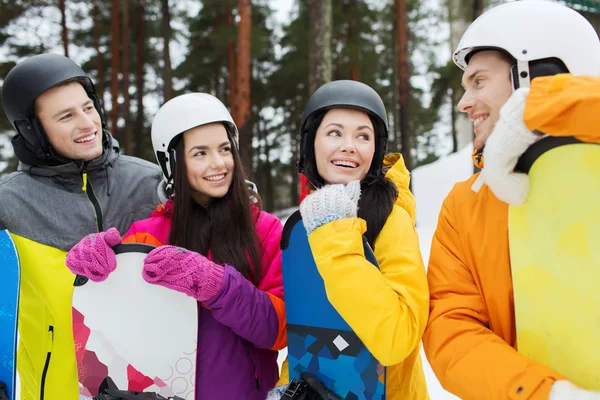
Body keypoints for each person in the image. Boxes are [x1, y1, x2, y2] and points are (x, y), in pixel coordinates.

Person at [422, 2, 600, 399]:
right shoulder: (464, 206)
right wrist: (545, 394)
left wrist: (538, 107)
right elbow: (451, 329)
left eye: (479, 82)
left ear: (536, 73)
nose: (463, 103)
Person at [66, 93, 287, 399]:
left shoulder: (264, 229)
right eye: (200, 153)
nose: (219, 163)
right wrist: (96, 274)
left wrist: (218, 286)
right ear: (171, 163)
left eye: (225, 149)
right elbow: (113, 326)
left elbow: (278, 331)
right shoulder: (147, 236)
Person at [0, 53, 163, 399]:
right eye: (66, 116)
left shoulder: (150, 183)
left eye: (88, 108)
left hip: (154, 384)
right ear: (32, 131)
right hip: (55, 389)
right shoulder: (8, 205)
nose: (87, 123)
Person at [294, 80, 429, 399]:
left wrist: (335, 236)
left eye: (363, 136)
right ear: (311, 143)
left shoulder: (392, 220)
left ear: (376, 149)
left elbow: (396, 339)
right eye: (335, 132)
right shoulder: (306, 223)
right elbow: (308, 332)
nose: (349, 145)